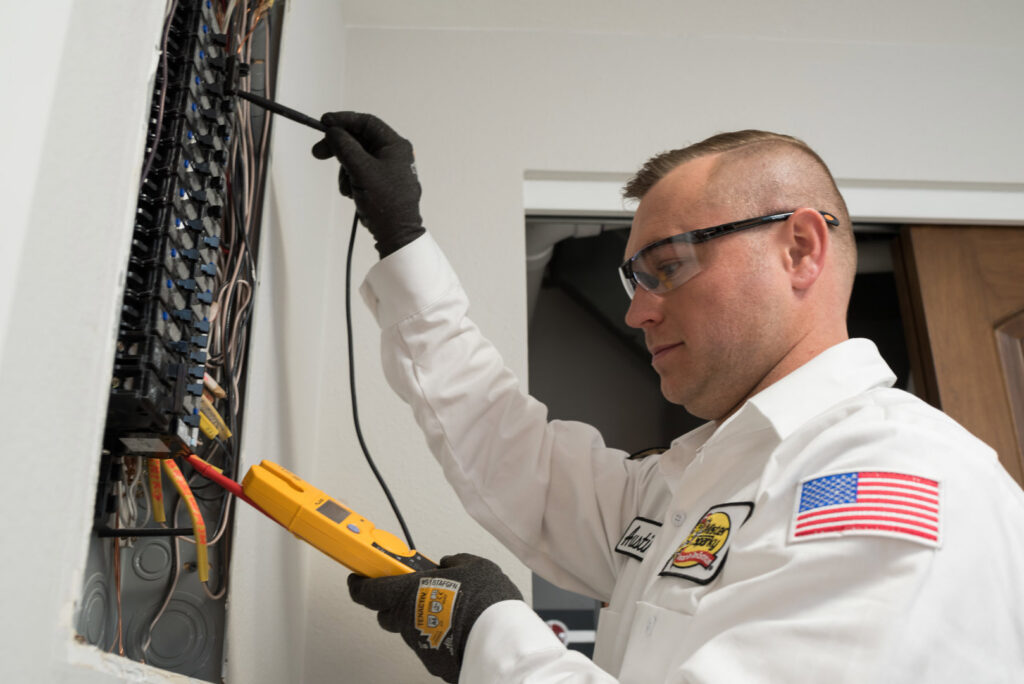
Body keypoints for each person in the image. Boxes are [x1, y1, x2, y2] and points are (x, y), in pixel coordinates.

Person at [311, 113, 1024, 683]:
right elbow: (516, 456)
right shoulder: (699, 482)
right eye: (635, 280)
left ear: (801, 249)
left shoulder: (901, 476)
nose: (638, 312)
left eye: (668, 267)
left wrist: (488, 636)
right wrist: (402, 240)